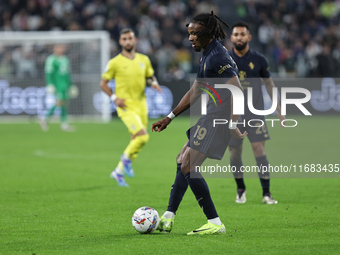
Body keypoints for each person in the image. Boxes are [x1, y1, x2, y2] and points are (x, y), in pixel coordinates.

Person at [151, 12, 247, 235]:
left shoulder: (217, 57)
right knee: (182, 161)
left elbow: (238, 90)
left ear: (207, 33)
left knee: (189, 166)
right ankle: (168, 216)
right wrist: (170, 117)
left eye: (194, 33)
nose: (190, 38)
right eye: (189, 33)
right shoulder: (207, 53)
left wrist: (233, 124)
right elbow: (195, 90)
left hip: (218, 119)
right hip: (209, 116)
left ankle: (214, 222)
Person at [228, 21, 285, 204]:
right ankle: (240, 189)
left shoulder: (259, 59)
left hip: (255, 113)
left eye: (242, 34)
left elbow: (269, 84)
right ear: (232, 38)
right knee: (235, 152)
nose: (239, 37)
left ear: (249, 37)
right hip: (233, 114)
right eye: (236, 34)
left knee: (258, 149)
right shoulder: (225, 60)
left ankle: (266, 193)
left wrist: (278, 108)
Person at [100, 28, 161, 187]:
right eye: (124, 39)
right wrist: (114, 98)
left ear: (135, 41)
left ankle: (118, 172)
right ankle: (125, 160)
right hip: (125, 105)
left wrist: (153, 83)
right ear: (120, 42)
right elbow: (103, 83)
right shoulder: (114, 63)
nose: (127, 41)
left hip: (142, 105)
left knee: (136, 141)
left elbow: (149, 76)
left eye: (130, 38)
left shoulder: (144, 59)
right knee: (143, 137)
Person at [40, 44, 75, 132]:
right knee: (59, 102)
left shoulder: (65, 59)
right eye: (58, 48)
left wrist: (71, 85)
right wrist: (50, 84)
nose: (60, 50)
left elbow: (67, 74)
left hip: (65, 85)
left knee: (64, 103)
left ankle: (64, 123)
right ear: (55, 49)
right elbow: (48, 73)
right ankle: (45, 118)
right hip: (57, 85)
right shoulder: (51, 59)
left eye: (62, 48)